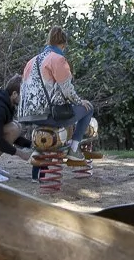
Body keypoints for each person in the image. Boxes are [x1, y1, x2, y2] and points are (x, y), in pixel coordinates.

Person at [18, 26, 94, 162]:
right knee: (88, 108)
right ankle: (74, 148)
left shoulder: (32, 61)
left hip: (28, 116)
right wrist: (79, 101)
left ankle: (37, 156)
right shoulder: (57, 59)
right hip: (49, 115)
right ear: (63, 45)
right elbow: (67, 89)